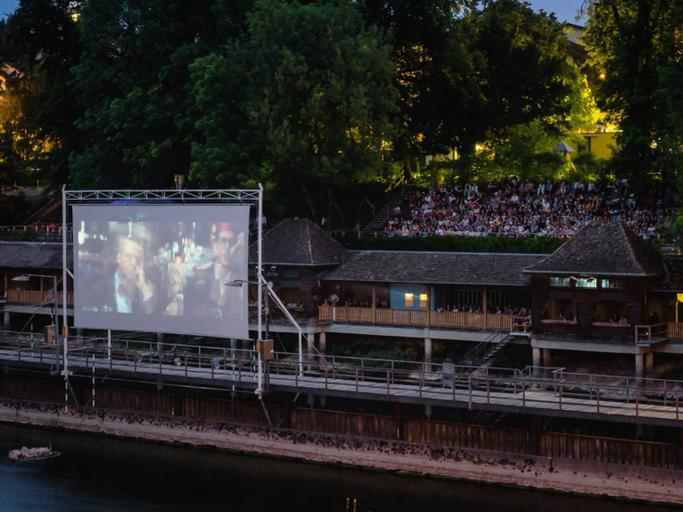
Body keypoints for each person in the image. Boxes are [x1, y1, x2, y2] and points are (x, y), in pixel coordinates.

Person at [185, 222, 245, 320]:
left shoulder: (242, 280)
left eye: (231, 242)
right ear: (215, 245)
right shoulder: (199, 276)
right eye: (223, 241)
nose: (227, 247)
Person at [84, 236, 157, 314]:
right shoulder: (98, 288)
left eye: (138, 259)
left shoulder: (144, 289)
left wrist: (143, 286)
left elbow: (152, 317)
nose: (134, 263)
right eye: (129, 256)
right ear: (118, 258)